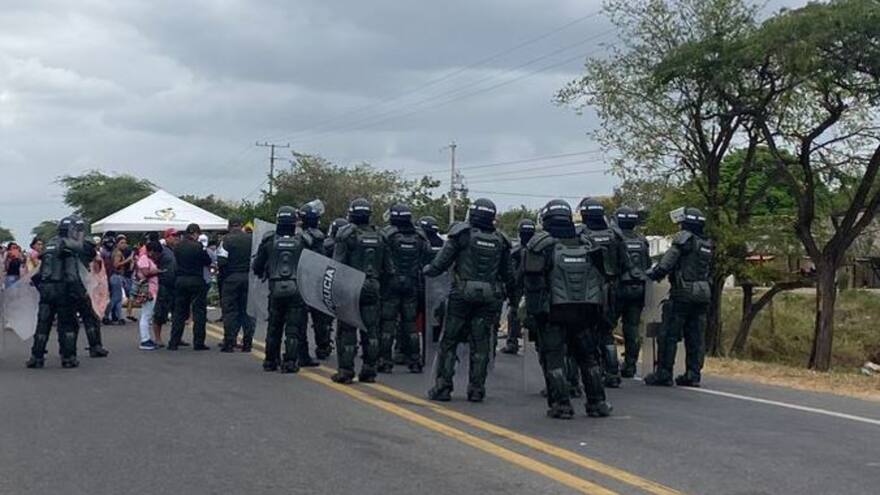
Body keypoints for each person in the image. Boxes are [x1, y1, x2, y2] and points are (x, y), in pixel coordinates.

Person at [523, 200, 612, 418]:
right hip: (586, 311)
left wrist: (533, 315)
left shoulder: (540, 244)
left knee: (554, 359)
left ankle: (561, 405)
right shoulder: (588, 242)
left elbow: (531, 282)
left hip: (554, 311)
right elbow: (605, 276)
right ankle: (598, 403)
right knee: (588, 358)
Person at [424, 198, 513, 402]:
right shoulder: (501, 240)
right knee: (480, 344)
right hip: (488, 298)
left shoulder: (461, 234)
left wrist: (426, 271)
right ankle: (476, 390)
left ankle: (443, 387)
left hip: (461, 296)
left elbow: (440, 263)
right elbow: (508, 275)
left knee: (449, 341)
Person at [644, 207, 713, 387]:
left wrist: (651, 274)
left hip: (683, 293)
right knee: (695, 336)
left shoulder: (684, 239)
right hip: (703, 293)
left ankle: (664, 373)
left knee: (669, 334)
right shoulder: (706, 243)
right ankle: (693, 374)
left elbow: (665, 264)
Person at [331, 198, 394, 384]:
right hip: (373, 286)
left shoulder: (345, 234)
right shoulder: (380, 236)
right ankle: (369, 371)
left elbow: (336, 265)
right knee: (371, 331)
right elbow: (389, 269)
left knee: (347, 331)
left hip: (350, 286)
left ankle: (346, 371)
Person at [577, 197, 631, 388]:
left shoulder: (581, 235)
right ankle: (612, 373)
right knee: (607, 331)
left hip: (589, 290)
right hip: (612, 288)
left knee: (587, 331)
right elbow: (626, 263)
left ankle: (593, 371)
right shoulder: (615, 235)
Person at [252, 206, 308, 372]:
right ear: (294, 222)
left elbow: (257, 265)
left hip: (275, 288)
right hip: (296, 289)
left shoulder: (269, 240)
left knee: (274, 326)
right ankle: (290, 362)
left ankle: (270, 361)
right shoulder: (303, 241)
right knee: (293, 328)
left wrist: (263, 273)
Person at [379, 203, 428, 374]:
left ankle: (385, 361)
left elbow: (380, 259)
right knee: (410, 324)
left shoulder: (387, 234)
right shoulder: (420, 236)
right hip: (411, 284)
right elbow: (424, 259)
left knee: (388, 324)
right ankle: (415, 361)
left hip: (390, 284)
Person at [26, 217, 80, 369]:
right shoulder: (68, 246)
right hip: (62, 289)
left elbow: (39, 272)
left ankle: (37, 357)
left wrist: (42, 287)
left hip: (46, 289)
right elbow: (72, 275)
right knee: (67, 325)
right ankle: (68, 357)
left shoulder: (49, 245)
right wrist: (77, 293)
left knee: (43, 324)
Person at [612, 207, 650, 378]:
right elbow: (647, 264)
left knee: (606, 327)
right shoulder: (642, 241)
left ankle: (610, 365)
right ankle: (630, 365)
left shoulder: (615, 239)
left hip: (619, 287)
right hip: (639, 288)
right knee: (632, 327)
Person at [168, 223, 212, 351]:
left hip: (181, 280)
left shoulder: (178, 246)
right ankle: (198, 342)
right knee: (199, 312)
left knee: (179, 312)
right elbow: (207, 261)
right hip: (196, 279)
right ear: (196, 233)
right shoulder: (198, 246)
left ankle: (174, 342)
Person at [298, 201, 332, 362]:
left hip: (301, 280)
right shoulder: (317, 236)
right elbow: (322, 259)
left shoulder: (298, 235)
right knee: (320, 318)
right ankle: (323, 347)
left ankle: (302, 351)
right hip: (314, 281)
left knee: (301, 319)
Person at [71, 217, 109, 358]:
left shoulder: (60, 244)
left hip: (67, 284)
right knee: (90, 317)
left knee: (69, 320)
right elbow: (96, 261)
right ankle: (95, 346)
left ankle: (67, 351)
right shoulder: (86, 245)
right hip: (82, 284)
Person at [217, 218, 255, 353]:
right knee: (248, 312)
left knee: (230, 312)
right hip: (248, 278)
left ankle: (229, 342)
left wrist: (225, 277)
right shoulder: (251, 239)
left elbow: (221, 261)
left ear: (229, 226)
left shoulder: (226, 240)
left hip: (231, 279)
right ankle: (247, 343)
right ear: (241, 225)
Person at [501, 219, 535, 355]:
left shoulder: (516, 251)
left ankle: (512, 342)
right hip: (533, 288)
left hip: (521, 287)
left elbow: (511, 273)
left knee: (514, 314)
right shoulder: (538, 249)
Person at [153, 228, 179, 347]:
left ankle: (176, 337)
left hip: (176, 285)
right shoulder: (162, 250)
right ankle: (157, 338)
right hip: (164, 284)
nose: (176, 238)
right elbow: (152, 261)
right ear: (167, 237)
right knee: (160, 313)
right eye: (173, 236)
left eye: (177, 236)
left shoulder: (178, 250)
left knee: (177, 313)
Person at [135, 241, 163, 351]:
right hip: (148, 290)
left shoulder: (148, 259)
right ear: (151, 251)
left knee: (148, 315)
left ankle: (146, 338)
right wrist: (157, 271)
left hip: (152, 289)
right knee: (146, 315)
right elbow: (145, 273)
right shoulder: (144, 259)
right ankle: (145, 340)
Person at [110, 234, 133, 325]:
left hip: (118, 276)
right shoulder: (118, 253)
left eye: (125, 243)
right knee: (116, 298)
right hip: (116, 276)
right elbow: (116, 265)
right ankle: (107, 316)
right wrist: (127, 260)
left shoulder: (118, 252)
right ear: (117, 244)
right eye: (122, 243)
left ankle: (118, 317)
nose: (124, 245)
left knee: (118, 298)